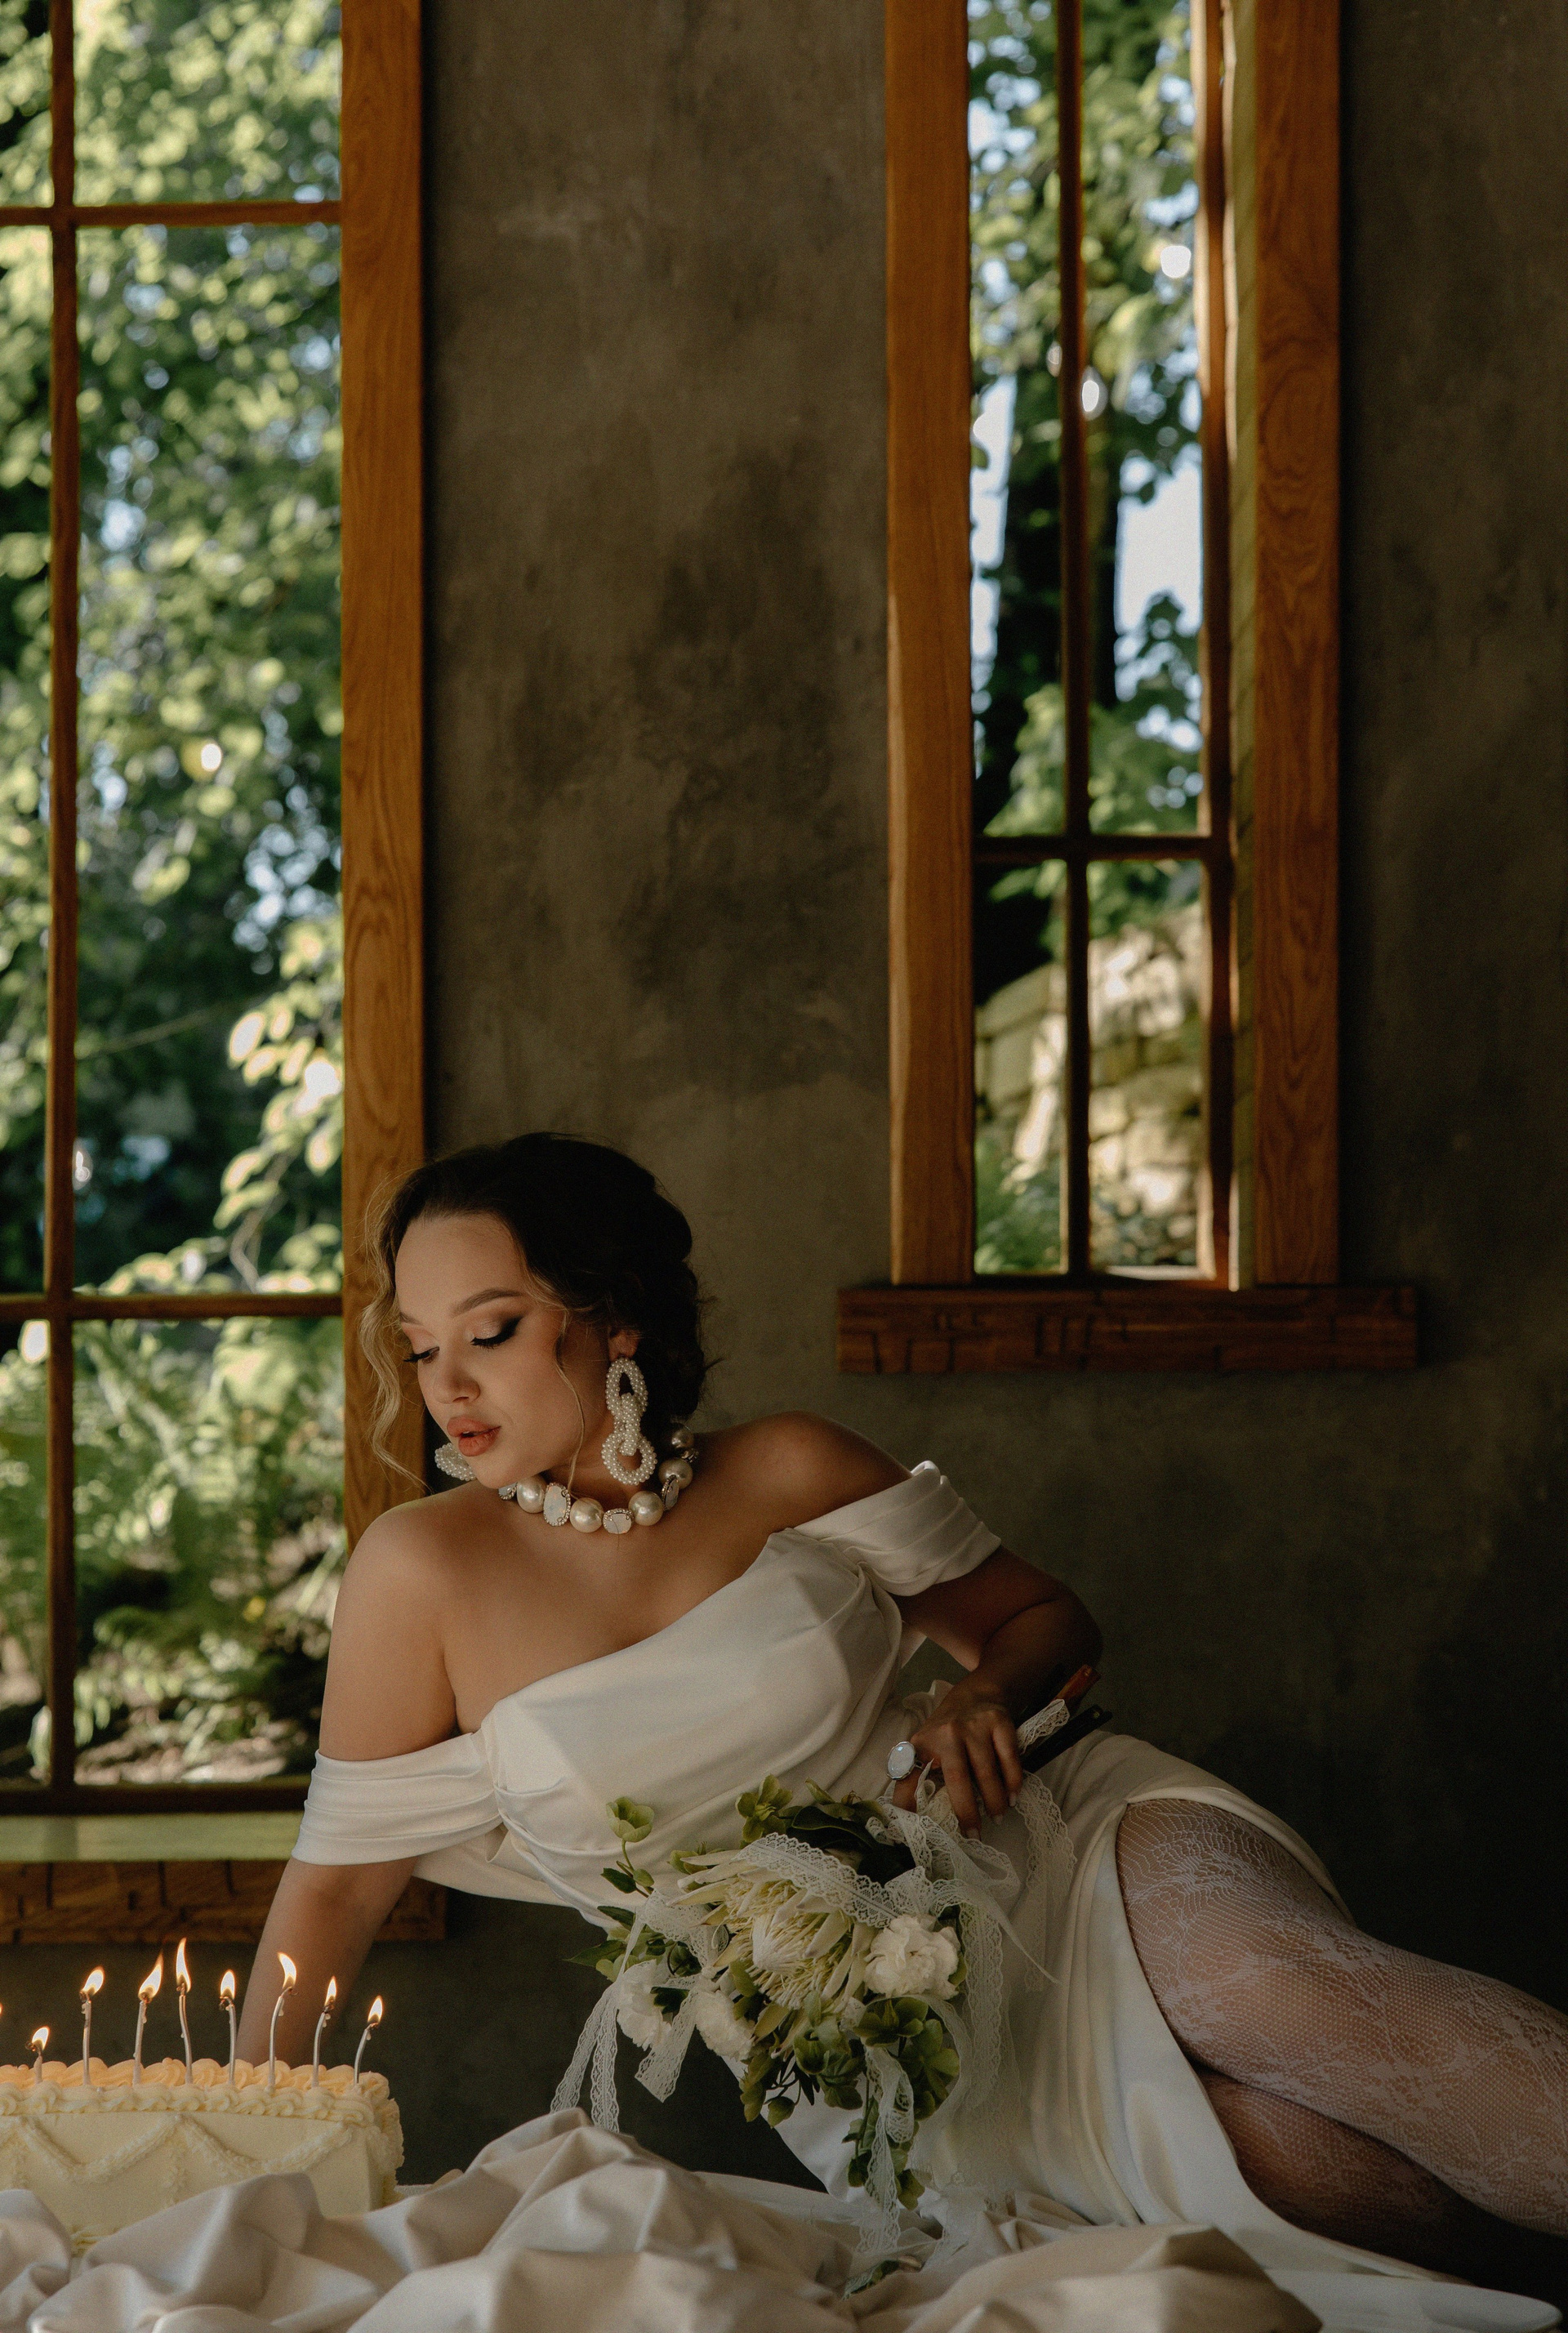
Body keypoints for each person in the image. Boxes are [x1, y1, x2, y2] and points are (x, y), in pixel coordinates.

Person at [238, 1133, 1568, 2325]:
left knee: (1285, 1988)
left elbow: (1044, 1620)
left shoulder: (791, 1468)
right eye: (419, 1345)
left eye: (490, 1330)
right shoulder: (421, 1573)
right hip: (883, 2043)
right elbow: (334, 1896)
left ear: (616, 1316)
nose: (448, 1385)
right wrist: (241, 2164)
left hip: (1056, 1851)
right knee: (1293, 2173)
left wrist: (986, 1695)